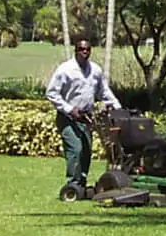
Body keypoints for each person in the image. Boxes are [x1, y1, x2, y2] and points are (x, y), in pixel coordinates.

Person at [45, 38, 121, 196]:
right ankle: (72, 183)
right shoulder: (65, 69)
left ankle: (81, 183)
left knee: (86, 150)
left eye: (87, 49)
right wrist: (69, 109)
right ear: (76, 50)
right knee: (76, 149)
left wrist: (117, 107)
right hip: (68, 118)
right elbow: (52, 93)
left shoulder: (95, 70)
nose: (84, 52)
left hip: (86, 118)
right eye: (81, 49)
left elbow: (104, 92)